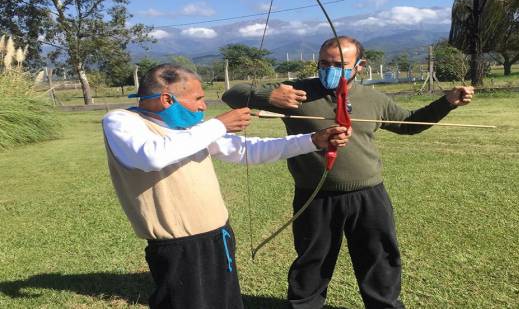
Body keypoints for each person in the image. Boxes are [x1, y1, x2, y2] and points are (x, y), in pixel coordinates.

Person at [222, 36, 475, 309]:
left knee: (379, 259)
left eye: (339, 64)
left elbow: (409, 124)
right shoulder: (296, 93)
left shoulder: (373, 98)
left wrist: (447, 102)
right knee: (312, 261)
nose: (329, 69)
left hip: (369, 195)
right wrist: (267, 96)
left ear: (360, 65)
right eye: (324, 63)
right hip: (315, 195)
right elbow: (231, 94)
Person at [101, 63, 350, 309]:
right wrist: (219, 124)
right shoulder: (122, 121)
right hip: (176, 246)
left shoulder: (192, 129)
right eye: (198, 98)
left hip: (218, 234)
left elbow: (248, 150)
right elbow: (151, 157)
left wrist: (313, 141)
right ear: (167, 98)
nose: (203, 106)